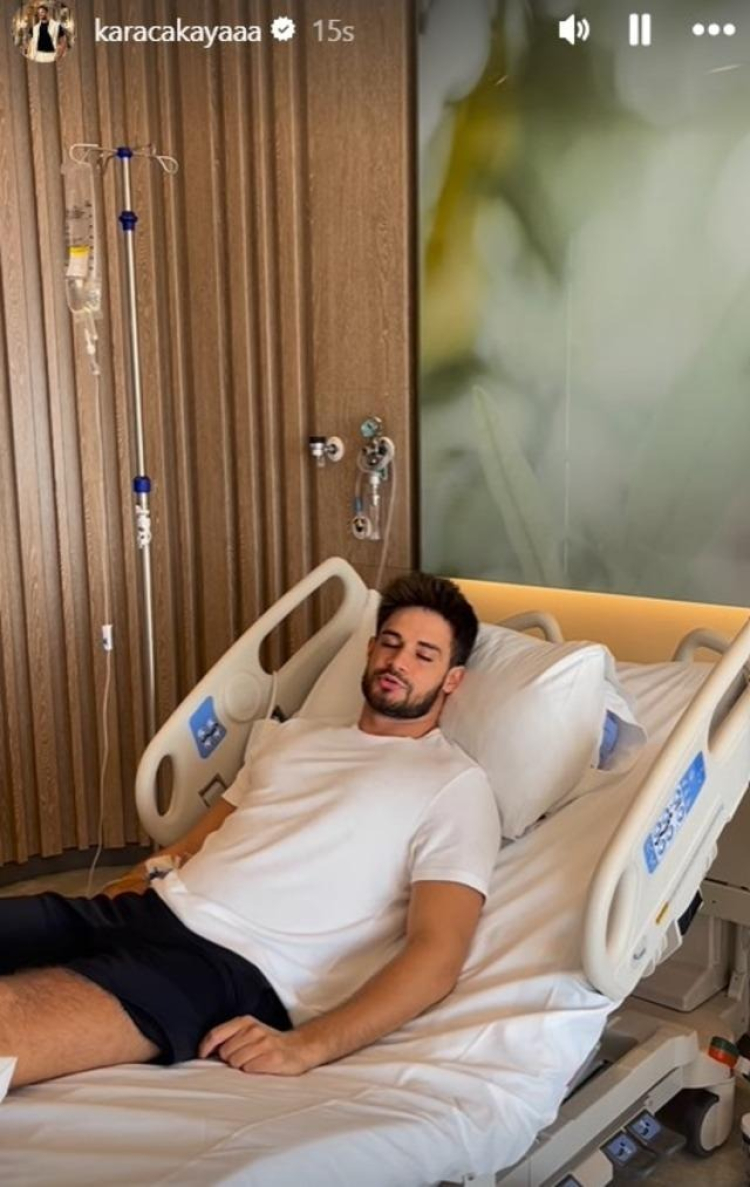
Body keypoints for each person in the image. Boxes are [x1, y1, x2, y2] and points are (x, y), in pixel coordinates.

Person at [0, 573, 499, 1090]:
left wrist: (308, 1045)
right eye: (391, 644)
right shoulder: (293, 738)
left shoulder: (454, 785)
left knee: (11, 1022)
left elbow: (437, 953)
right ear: (370, 649)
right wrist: (132, 879)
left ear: (452, 680)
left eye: (423, 655)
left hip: (223, 966)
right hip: (145, 910)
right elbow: (192, 844)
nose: (399, 662)